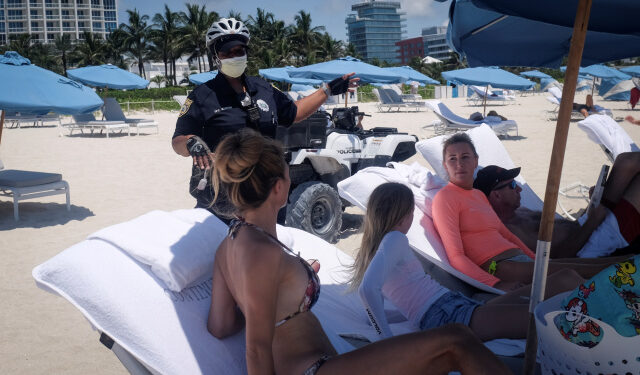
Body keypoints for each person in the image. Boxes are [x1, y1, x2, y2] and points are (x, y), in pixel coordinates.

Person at [207, 129, 512, 375]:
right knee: (456, 339)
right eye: (288, 176)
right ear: (277, 188)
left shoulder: (231, 246)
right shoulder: (261, 252)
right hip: (314, 368)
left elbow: (220, 327)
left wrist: (266, 298)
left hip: (326, 364)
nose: (290, 181)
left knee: (445, 352)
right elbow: (256, 348)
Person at [171, 17, 358, 223]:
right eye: (227, 52)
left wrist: (327, 90)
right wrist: (191, 143)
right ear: (216, 56)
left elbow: (293, 113)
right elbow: (178, 141)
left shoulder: (263, 88)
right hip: (221, 199)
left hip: (265, 192)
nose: (234, 56)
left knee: (267, 249)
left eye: (239, 50)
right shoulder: (202, 96)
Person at [350, 182, 583, 342]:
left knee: (562, 282)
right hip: (446, 314)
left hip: (452, 306)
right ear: (405, 214)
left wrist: (389, 319)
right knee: (544, 318)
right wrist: (386, 340)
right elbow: (367, 291)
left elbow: (396, 299)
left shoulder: (378, 250)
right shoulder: (395, 239)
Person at [431, 133, 622, 290]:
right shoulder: (445, 198)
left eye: (465, 157)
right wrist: (496, 284)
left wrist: (537, 262)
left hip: (519, 258)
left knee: (594, 266)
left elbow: (507, 236)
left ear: (475, 161)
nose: (459, 164)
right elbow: (456, 256)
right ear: (445, 165)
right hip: (499, 266)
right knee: (579, 272)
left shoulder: (478, 196)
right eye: (452, 159)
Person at [476, 154, 640, 259]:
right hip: (595, 246)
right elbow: (561, 256)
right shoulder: (511, 231)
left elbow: (565, 230)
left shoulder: (519, 211)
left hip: (588, 225)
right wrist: (593, 221)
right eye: (512, 185)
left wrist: (591, 207)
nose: (519, 188)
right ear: (496, 194)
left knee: (626, 161)